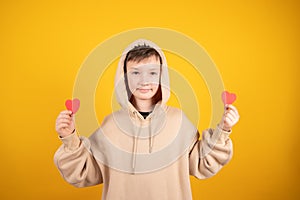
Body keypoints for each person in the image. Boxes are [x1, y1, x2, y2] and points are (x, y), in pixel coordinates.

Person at [54, 39, 239, 200]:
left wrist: (223, 130)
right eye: (135, 73)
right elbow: (84, 172)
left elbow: (202, 164)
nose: (144, 81)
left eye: (152, 72)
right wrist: (69, 137)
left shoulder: (178, 121)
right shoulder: (111, 125)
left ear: (162, 76)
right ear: (124, 78)